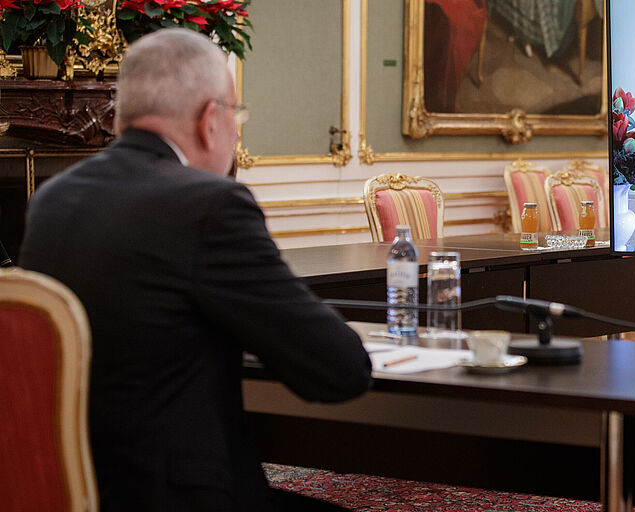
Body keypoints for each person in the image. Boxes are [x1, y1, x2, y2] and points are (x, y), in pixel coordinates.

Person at [19, 29, 372, 512]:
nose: (235, 130)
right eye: (236, 116)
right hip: (178, 494)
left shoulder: (52, 198)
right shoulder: (210, 205)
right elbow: (341, 370)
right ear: (211, 120)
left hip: (71, 488)